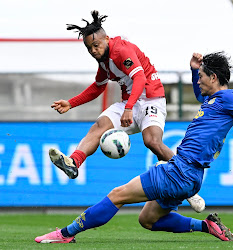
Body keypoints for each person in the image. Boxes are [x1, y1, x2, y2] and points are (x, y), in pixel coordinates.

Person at [35, 51, 233, 244]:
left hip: (179, 171)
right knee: (147, 220)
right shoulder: (216, 100)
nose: (198, 81)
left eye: (203, 76)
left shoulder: (231, 98)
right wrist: (195, 68)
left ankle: (65, 234)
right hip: (190, 176)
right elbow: (202, 96)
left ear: (215, 77)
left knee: (117, 195)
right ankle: (206, 226)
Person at [48, 10, 204, 212]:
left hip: (151, 98)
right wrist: (71, 103)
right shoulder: (103, 61)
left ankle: (189, 186)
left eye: (96, 45)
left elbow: (139, 79)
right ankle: (74, 162)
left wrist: (129, 108)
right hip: (129, 102)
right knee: (99, 126)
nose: (94, 50)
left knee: (152, 142)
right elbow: (98, 87)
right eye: (89, 48)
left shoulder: (121, 50)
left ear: (107, 38)